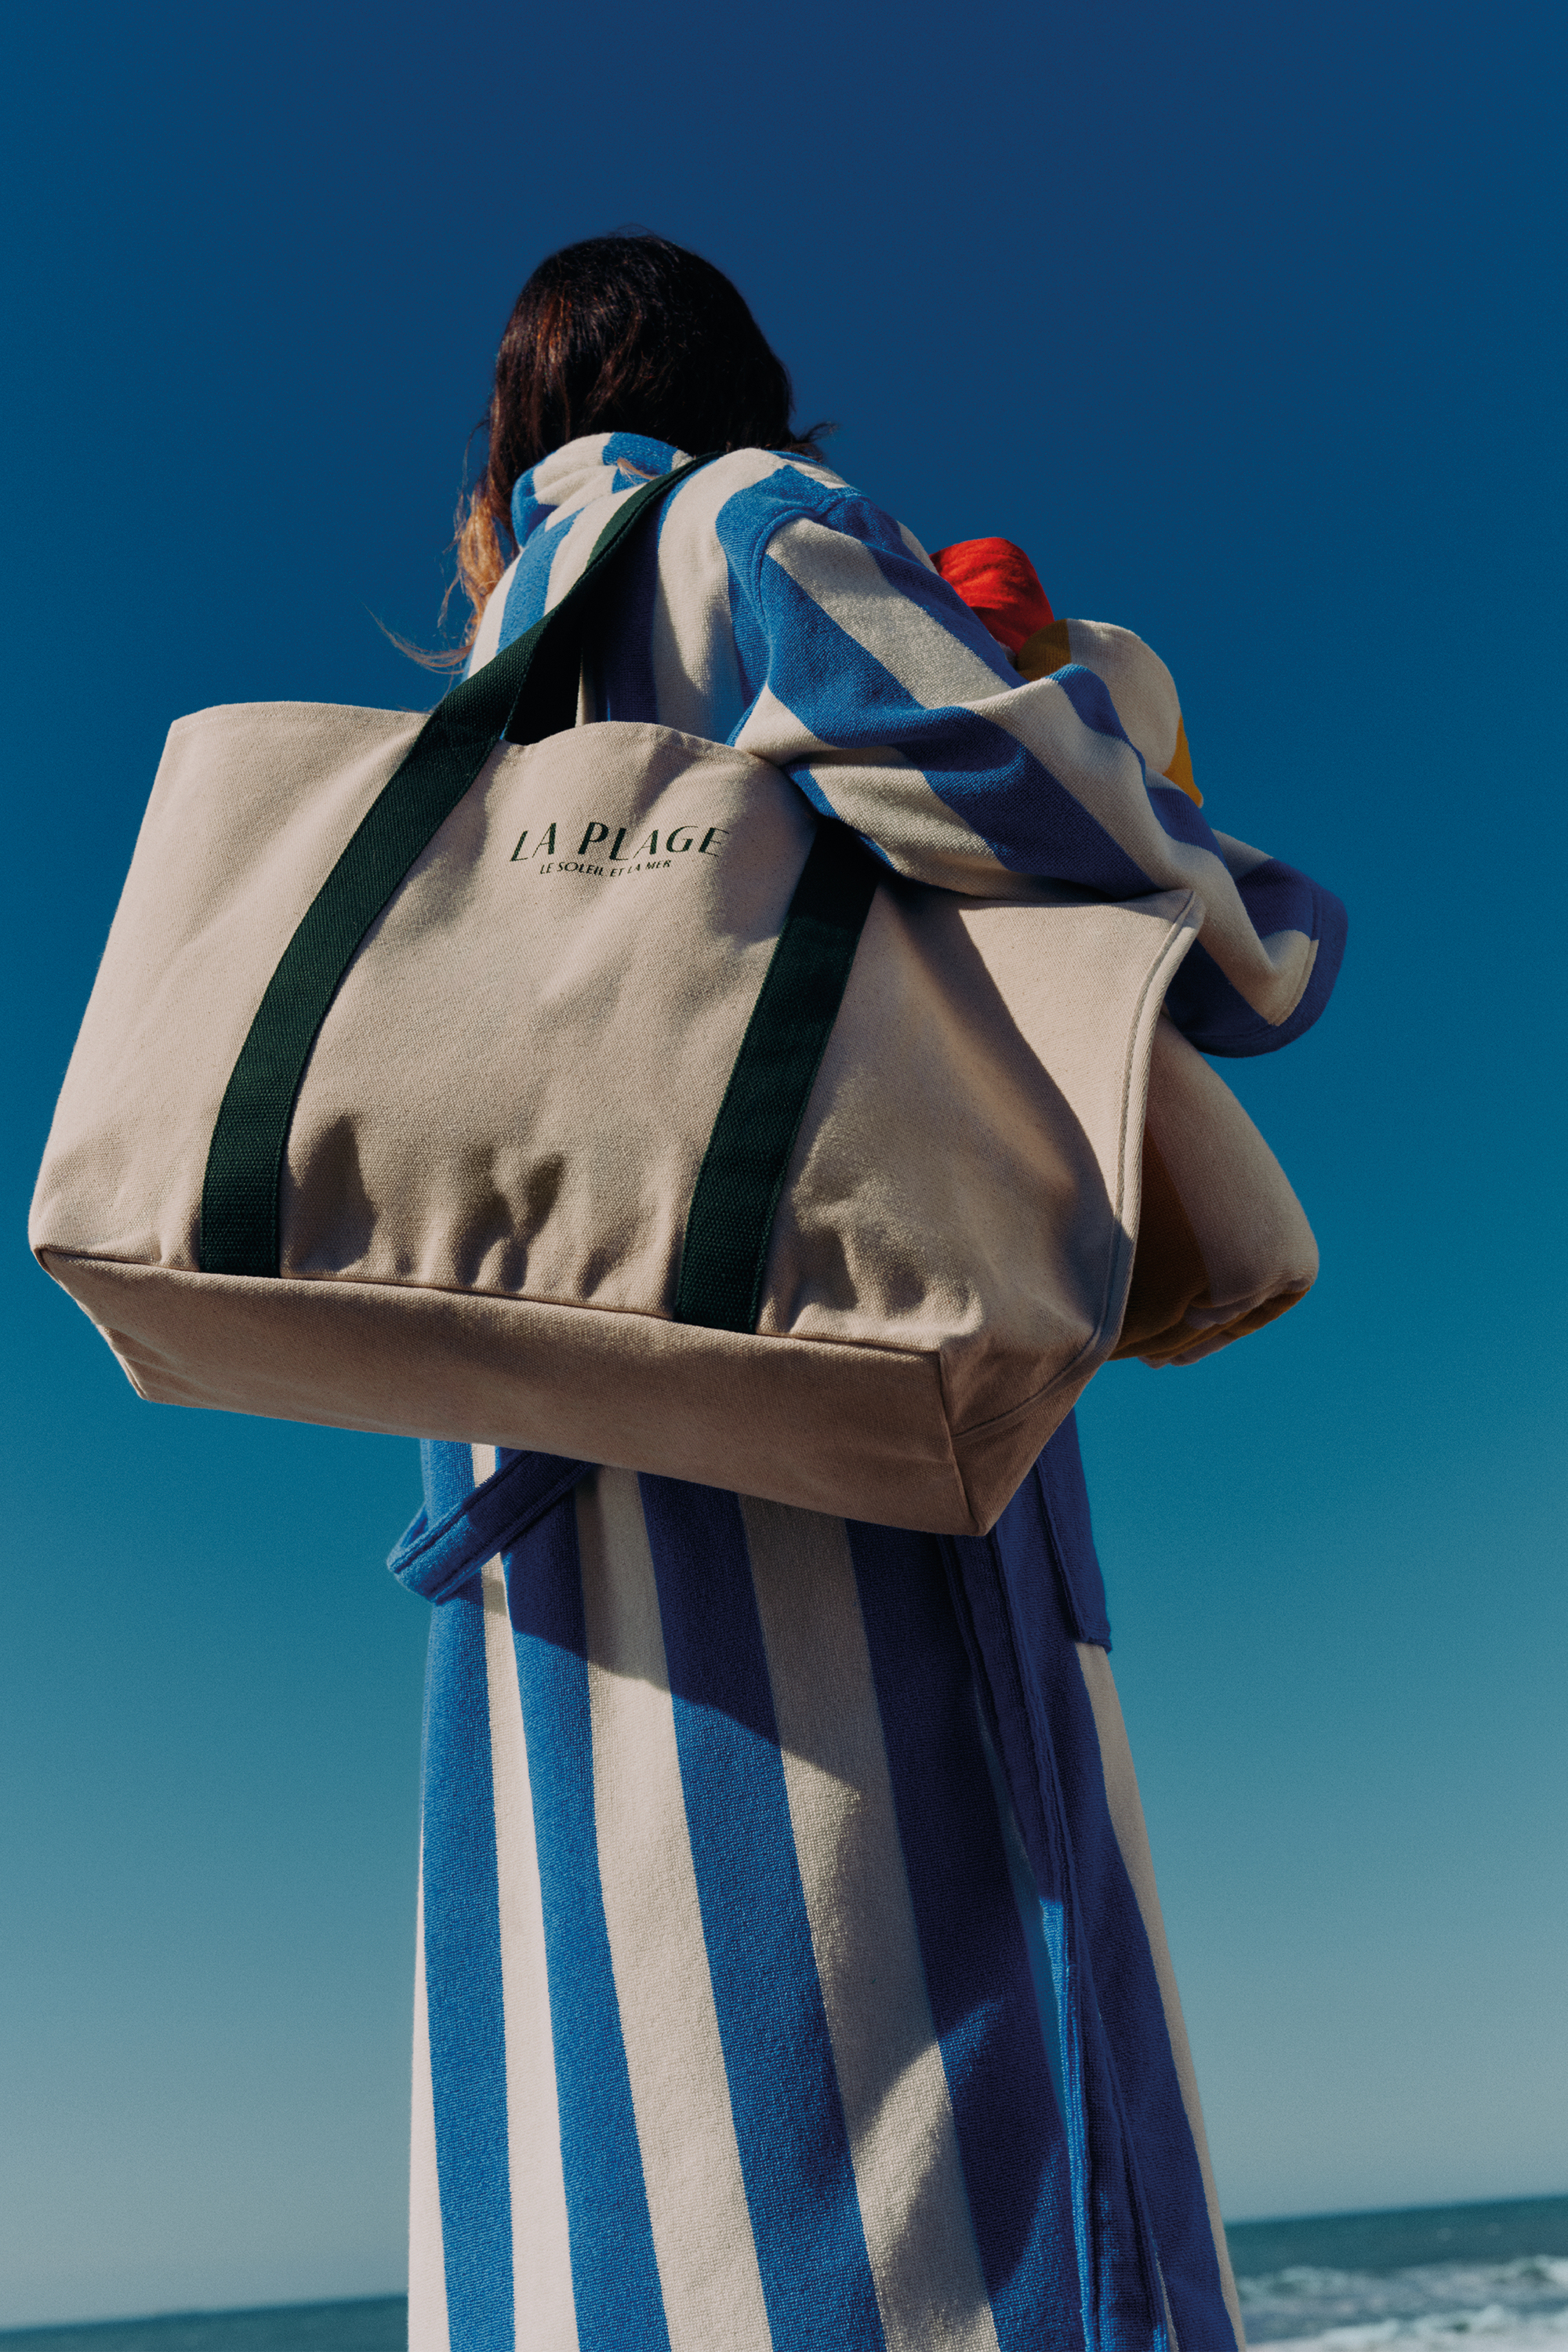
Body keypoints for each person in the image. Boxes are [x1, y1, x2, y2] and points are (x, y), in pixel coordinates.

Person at [403, 232, 1345, 2352]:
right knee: (940, 2119)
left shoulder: (485, 690)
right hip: (832, 1449)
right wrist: (1257, 912)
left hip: (553, 1519)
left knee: (617, 2114)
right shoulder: (735, 523)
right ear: (746, 391)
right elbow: (1037, 802)